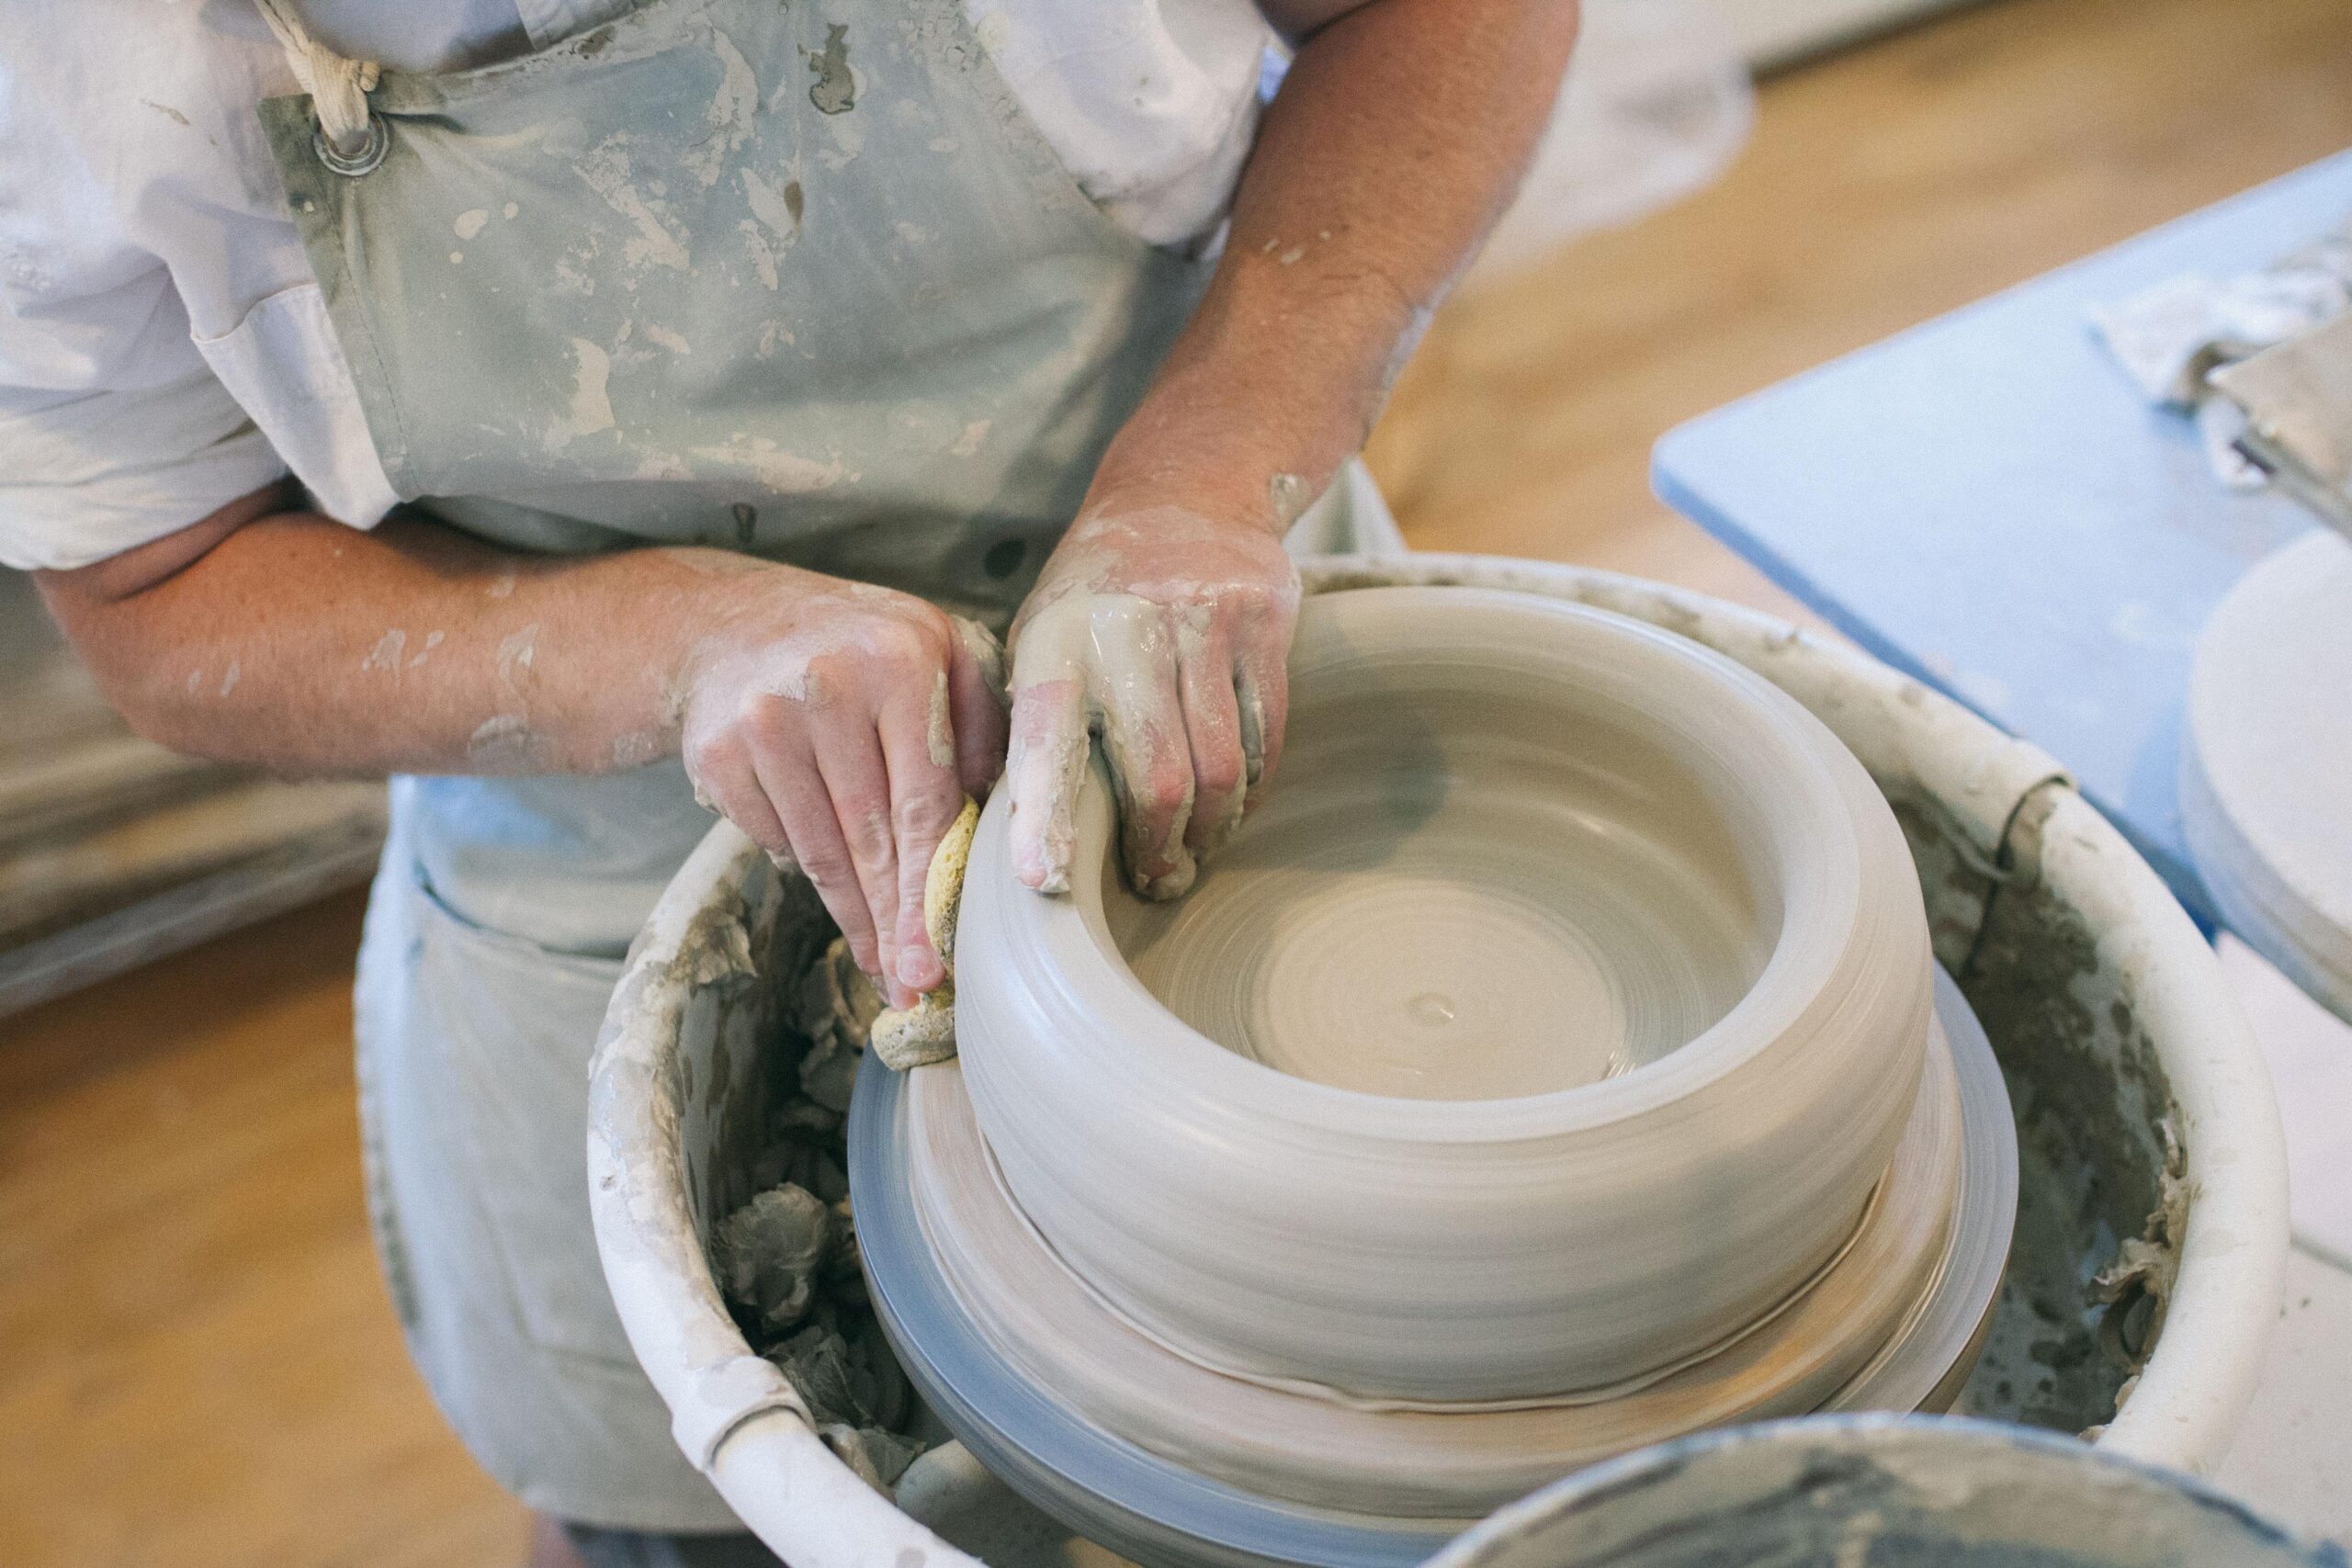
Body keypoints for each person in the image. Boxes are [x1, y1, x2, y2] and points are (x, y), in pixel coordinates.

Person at [2, 0, 1578, 1561]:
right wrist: (675, 646)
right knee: (722, 1509)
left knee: (1454, 1383)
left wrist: (1212, 468)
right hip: (610, 833)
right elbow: (151, 586)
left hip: (1203, 631)